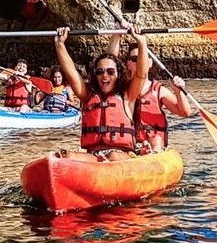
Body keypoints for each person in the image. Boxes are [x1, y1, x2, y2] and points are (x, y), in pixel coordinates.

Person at [55, 23, 149, 162]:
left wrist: (141, 43)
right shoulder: (87, 95)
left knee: (113, 156)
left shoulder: (127, 95)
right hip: (93, 156)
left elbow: (141, 73)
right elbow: (71, 73)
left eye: (110, 72)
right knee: (66, 156)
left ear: (118, 74)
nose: (105, 75)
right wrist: (60, 44)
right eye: (100, 72)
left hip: (120, 154)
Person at [107, 31, 191, 153]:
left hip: (153, 145)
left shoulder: (159, 91)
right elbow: (109, 61)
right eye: (134, 59)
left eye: (142, 57)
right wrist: (117, 34)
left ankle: (152, 155)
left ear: (150, 62)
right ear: (128, 63)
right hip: (129, 145)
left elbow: (185, 112)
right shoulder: (121, 88)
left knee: (156, 139)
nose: (139, 62)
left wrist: (178, 92)